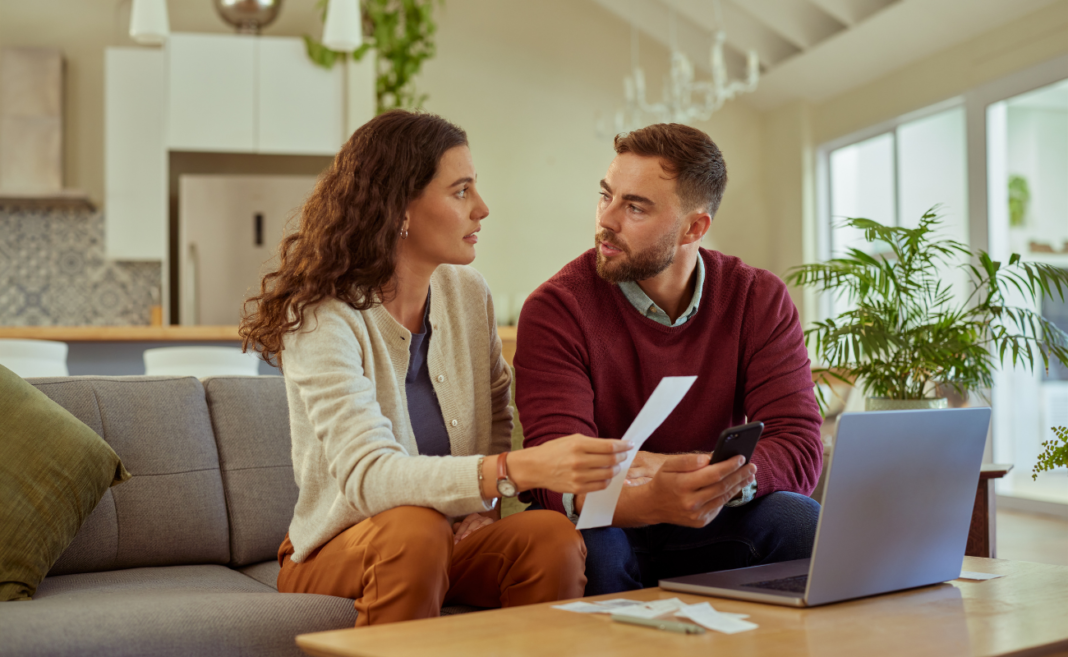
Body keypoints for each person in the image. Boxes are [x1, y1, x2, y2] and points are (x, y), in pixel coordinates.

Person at [240, 110, 632, 626]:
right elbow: (369, 474)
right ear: (400, 207)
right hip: (341, 546)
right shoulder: (323, 318)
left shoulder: (468, 293)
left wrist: (486, 509)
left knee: (552, 539)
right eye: (461, 191)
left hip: (451, 538)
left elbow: (495, 410)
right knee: (414, 530)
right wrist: (514, 471)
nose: (482, 209)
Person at [513, 122, 823, 595]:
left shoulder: (757, 298)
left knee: (801, 522)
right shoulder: (558, 308)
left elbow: (798, 443)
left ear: (694, 227)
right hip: (608, 522)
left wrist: (692, 477)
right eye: (606, 196)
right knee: (590, 548)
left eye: (634, 207)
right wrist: (653, 494)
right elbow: (552, 470)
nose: (606, 221)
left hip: (716, 520)